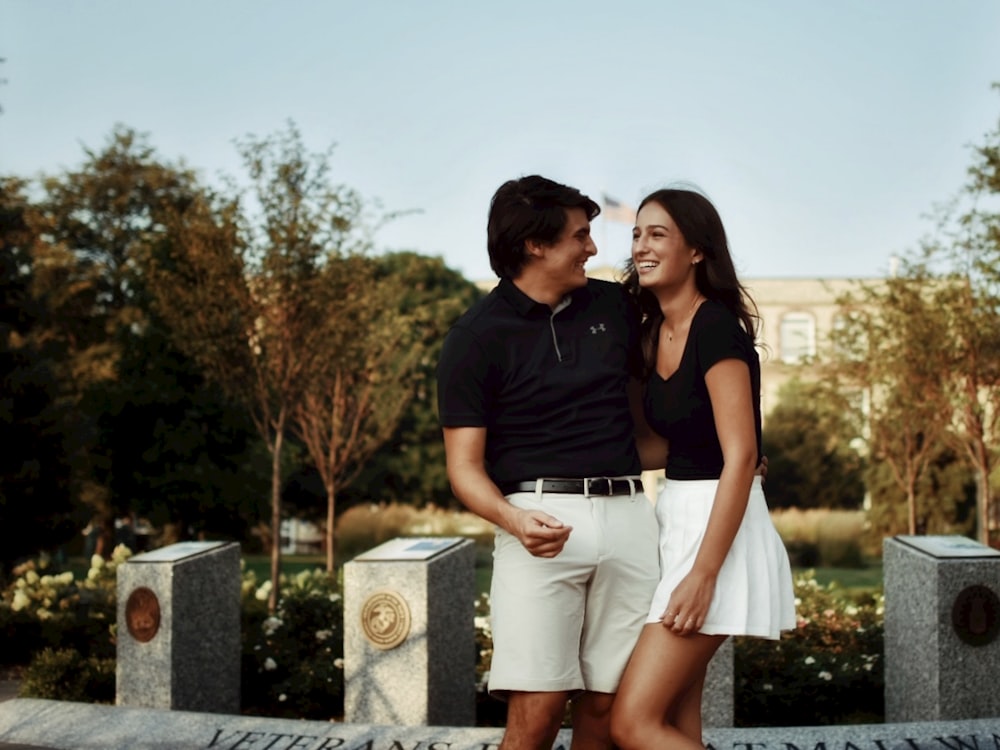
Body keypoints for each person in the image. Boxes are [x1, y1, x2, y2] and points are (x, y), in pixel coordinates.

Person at [436, 175, 661, 750]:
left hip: (631, 515)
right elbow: (464, 469)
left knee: (610, 705)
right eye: (580, 236)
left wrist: (730, 454)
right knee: (537, 712)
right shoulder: (476, 337)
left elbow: (650, 419)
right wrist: (513, 521)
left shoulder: (613, 305)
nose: (592, 247)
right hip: (538, 522)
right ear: (536, 245)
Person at [609, 187, 796, 750]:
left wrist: (704, 574)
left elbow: (739, 455)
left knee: (632, 723)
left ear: (696, 251)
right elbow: (663, 448)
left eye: (658, 233)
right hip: (677, 516)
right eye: (637, 234)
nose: (641, 245)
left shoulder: (715, 327)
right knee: (674, 726)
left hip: (720, 531)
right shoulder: (652, 334)